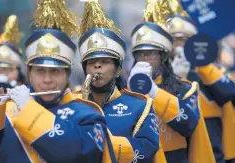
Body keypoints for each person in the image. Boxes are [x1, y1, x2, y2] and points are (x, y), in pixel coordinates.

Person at [0, 0, 109, 162]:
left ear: (67, 74)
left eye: (55, 71)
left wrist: (28, 109)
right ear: (28, 72)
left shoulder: (89, 115)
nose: (47, 80)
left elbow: (76, 154)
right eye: (40, 71)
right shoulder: (6, 112)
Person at [73, 1, 163, 162]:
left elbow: (147, 148)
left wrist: (104, 142)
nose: (97, 66)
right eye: (92, 63)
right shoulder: (71, 103)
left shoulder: (139, 106)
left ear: (118, 70)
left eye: (105, 62)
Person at [128, 0, 215, 162]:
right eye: (141, 53)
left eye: (151, 53)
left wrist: (153, 91)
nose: (145, 58)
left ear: (163, 56)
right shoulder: (125, 90)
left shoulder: (185, 88)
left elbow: (188, 123)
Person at [166, 12, 235, 163]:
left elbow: (229, 92)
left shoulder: (207, 71)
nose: (178, 46)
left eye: (183, 40)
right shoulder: (160, 75)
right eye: (174, 41)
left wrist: (199, 62)